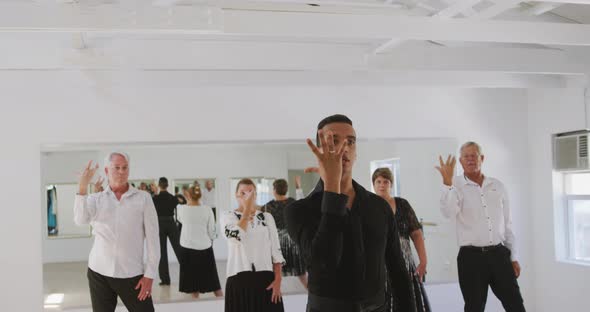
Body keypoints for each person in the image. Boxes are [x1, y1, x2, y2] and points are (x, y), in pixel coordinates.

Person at [285, 114, 412, 312]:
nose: (344, 147)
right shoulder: (299, 210)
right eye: (334, 141)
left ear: (356, 152)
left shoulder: (379, 207)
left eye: (350, 142)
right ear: (319, 151)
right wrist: (332, 189)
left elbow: (398, 272)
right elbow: (323, 263)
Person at [436, 141, 525, 312]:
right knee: (474, 307)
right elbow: (448, 212)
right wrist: (447, 184)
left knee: (516, 304)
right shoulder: (454, 185)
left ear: (481, 158)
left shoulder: (497, 186)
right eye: (466, 156)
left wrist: (513, 257)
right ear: (461, 162)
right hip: (471, 258)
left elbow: (507, 224)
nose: (470, 159)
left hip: (499, 255)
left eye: (474, 155)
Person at [74, 152, 159, 312]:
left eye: (125, 167)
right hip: (99, 272)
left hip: (132, 274)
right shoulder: (95, 199)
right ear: (107, 171)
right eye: (117, 168)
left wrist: (150, 274)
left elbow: (153, 238)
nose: (121, 171)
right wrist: (82, 187)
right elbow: (80, 220)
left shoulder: (143, 198)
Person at [221, 178, 285, 312]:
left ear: (256, 194)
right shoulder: (228, 216)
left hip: (266, 279)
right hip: (238, 279)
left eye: (251, 192)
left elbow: (276, 251)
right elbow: (234, 236)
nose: (248, 196)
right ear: (236, 195)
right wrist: (246, 213)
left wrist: (278, 279)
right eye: (243, 193)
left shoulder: (266, 217)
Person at [372, 168, 431, 312]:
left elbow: (416, 233)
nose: (382, 185)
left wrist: (423, 261)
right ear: (373, 184)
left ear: (391, 184)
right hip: (378, 266)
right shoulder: (369, 206)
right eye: (378, 181)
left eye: (386, 181)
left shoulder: (402, 204)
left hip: (405, 264)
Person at [177, 184, 223, 298]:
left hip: (187, 250)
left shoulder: (182, 209)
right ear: (201, 195)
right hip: (205, 249)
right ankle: (223, 304)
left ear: (188, 195)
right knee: (214, 283)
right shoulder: (207, 210)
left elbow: (181, 220)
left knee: (193, 285)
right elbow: (212, 232)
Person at [262, 178, 307, 288]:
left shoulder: (268, 207)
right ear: (286, 189)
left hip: (277, 244)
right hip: (293, 242)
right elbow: (303, 204)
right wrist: (298, 187)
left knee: (276, 273)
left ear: (274, 190)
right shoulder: (293, 203)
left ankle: (274, 295)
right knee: (301, 274)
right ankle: (311, 292)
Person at [152, 177, 182, 286]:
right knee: (179, 250)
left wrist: (155, 194)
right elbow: (181, 205)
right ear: (167, 185)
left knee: (162, 252)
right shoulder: (173, 198)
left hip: (159, 224)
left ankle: (165, 280)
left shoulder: (155, 199)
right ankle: (188, 275)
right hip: (171, 223)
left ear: (159, 185)